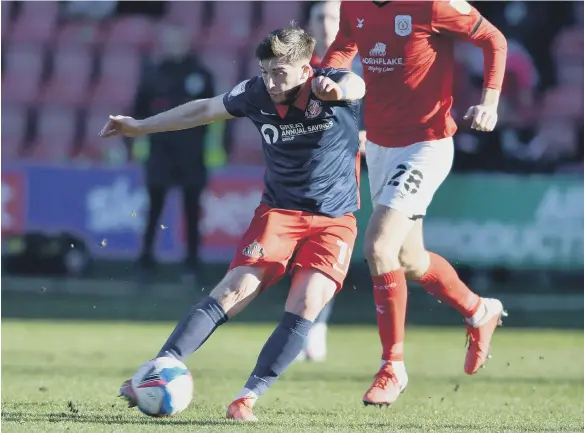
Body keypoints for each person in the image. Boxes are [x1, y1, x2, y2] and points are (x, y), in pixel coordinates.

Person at [100, 25, 366, 421]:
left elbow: (356, 84)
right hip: (279, 212)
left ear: (305, 69)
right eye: (265, 71)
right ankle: (156, 370)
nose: (272, 82)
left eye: (280, 72)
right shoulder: (255, 93)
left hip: (335, 219)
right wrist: (140, 126)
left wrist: (340, 92)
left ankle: (247, 398)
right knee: (234, 289)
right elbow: (203, 109)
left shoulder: (330, 85)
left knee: (308, 302)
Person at [321, 0, 508, 406]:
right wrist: (330, 77)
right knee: (409, 259)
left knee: (378, 246)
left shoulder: (433, 3)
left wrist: (489, 101)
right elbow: (343, 45)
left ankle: (393, 366)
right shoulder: (354, 4)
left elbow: (494, 39)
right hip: (381, 146)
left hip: (427, 144)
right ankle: (479, 311)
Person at [133, 23, 215, 281]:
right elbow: (138, 111)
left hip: (192, 155)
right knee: (154, 209)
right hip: (160, 154)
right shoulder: (153, 74)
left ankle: (192, 263)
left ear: (186, 44)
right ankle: (145, 261)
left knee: (192, 211)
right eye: (168, 42)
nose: (173, 47)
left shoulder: (201, 75)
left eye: (177, 42)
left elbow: (215, 112)